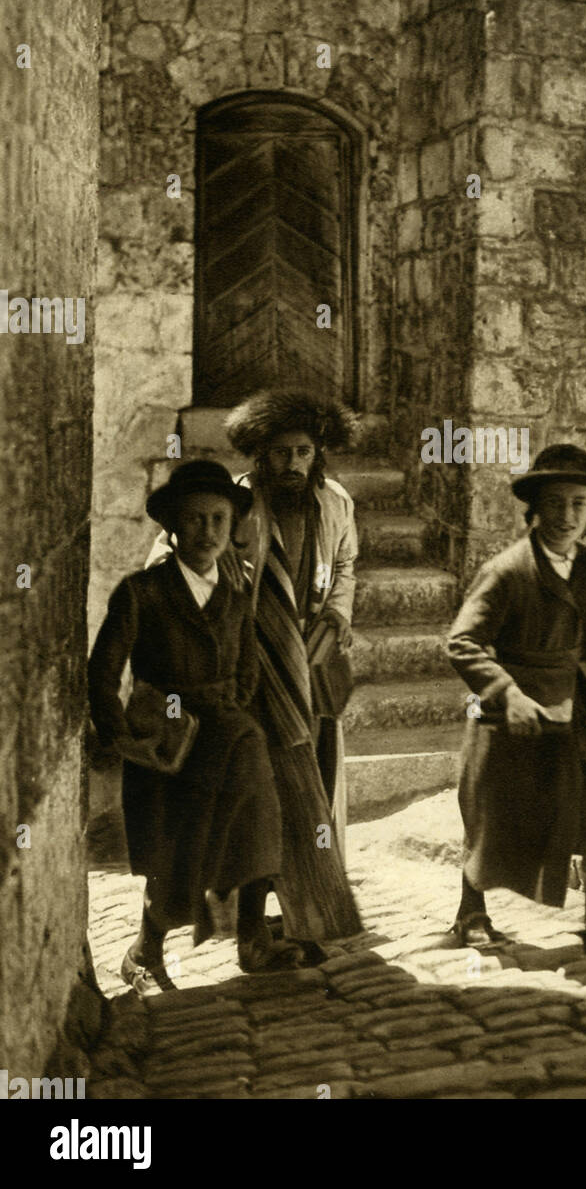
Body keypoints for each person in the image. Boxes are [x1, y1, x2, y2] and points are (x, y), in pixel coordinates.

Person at [148, 390, 361, 943]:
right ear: (259, 456)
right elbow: (167, 560)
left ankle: (286, 915)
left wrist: (336, 618)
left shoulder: (335, 503)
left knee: (305, 793)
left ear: (318, 455)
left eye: (304, 453)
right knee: (245, 803)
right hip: (245, 678)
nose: (293, 465)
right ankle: (211, 924)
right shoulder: (230, 503)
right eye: (281, 453)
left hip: (309, 671)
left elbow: (346, 565)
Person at [88, 461, 296, 988]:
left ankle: (252, 938)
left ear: (231, 527)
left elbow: (247, 669)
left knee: (259, 831)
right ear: (174, 528)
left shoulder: (235, 592)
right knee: (176, 856)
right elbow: (104, 670)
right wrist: (123, 738)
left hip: (232, 738)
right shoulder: (142, 592)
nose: (207, 533)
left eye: (218, 521)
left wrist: (232, 707)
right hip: (170, 749)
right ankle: (144, 950)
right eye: (195, 520)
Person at [446, 443, 586, 956]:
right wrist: (506, 693)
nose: (567, 516)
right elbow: (462, 643)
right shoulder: (508, 571)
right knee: (495, 815)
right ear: (535, 509)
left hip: (570, 709)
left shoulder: (584, 563)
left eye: (579, 505)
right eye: (556, 504)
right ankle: (470, 913)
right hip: (514, 714)